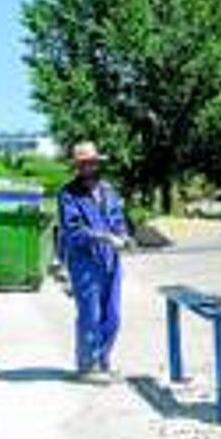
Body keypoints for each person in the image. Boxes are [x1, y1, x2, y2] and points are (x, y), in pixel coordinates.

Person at [57, 142, 129, 380]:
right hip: (85, 262)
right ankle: (87, 366)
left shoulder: (109, 191)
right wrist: (105, 237)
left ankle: (103, 360)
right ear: (77, 167)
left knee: (113, 315)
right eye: (83, 163)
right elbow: (73, 230)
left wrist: (123, 235)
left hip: (111, 260)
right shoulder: (68, 194)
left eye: (92, 162)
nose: (89, 166)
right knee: (90, 315)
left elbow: (118, 220)